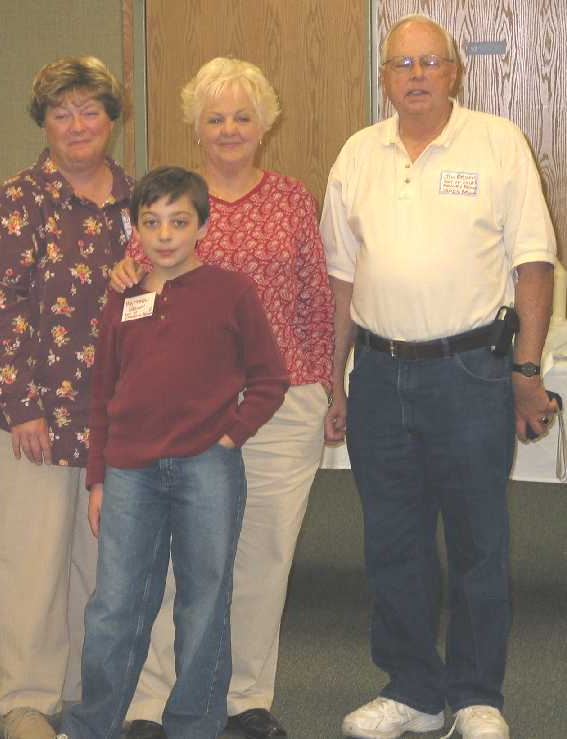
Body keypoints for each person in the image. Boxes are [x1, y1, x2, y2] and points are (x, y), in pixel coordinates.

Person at [320, 14, 557, 739]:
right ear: (384, 77)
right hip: (380, 376)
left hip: (470, 372)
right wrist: (335, 380)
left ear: (453, 72)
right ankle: (412, 690)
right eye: (400, 64)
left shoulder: (496, 143)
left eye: (429, 62)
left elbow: (533, 265)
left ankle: (477, 694)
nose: (415, 75)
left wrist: (525, 369)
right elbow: (340, 280)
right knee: (392, 541)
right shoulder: (357, 154)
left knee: (478, 539)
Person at [112, 58, 333, 739]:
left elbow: (314, 300)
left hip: (280, 401)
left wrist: (325, 387)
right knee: (177, 557)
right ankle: (153, 700)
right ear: (195, 126)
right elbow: (135, 299)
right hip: (189, 408)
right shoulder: (169, 201)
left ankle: (244, 697)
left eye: (242, 115)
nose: (230, 128)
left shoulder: (292, 198)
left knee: (262, 555)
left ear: (264, 123)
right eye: (215, 117)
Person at [60, 166, 289, 739]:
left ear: (201, 226)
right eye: (151, 222)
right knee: (114, 605)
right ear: (135, 227)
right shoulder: (124, 295)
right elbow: (103, 390)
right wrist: (97, 478)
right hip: (129, 471)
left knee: (204, 601)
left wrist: (230, 436)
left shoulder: (231, 291)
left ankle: (195, 724)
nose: (164, 235)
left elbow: (269, 379)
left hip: (206, 468)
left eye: (179, 222)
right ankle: (91, 726)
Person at [0, 57, 133, 739]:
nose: (76, 125)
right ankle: (29, 700)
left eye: (90, 110)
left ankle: (88, 694)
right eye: (61, 112)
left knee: (103, 568)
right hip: (30, 419)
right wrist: (22, 404)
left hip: (117, 419)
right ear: (43, 121)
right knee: (27, 563)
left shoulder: (139, 201)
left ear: (111, 118)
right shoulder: (17, 200)